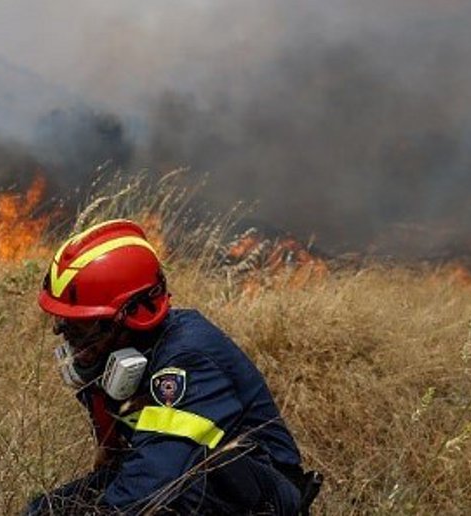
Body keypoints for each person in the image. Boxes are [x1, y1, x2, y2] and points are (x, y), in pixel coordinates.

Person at [24, 219, 321, 515]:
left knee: (167, 498)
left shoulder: (187, 358)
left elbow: (151, 483)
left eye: (81, 327)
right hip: (181, 473)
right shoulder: (111, 359)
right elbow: (116, 461)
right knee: (44, 509)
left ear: (133, 315)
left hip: (254, 492)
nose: (66, 337)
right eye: (63, 323)